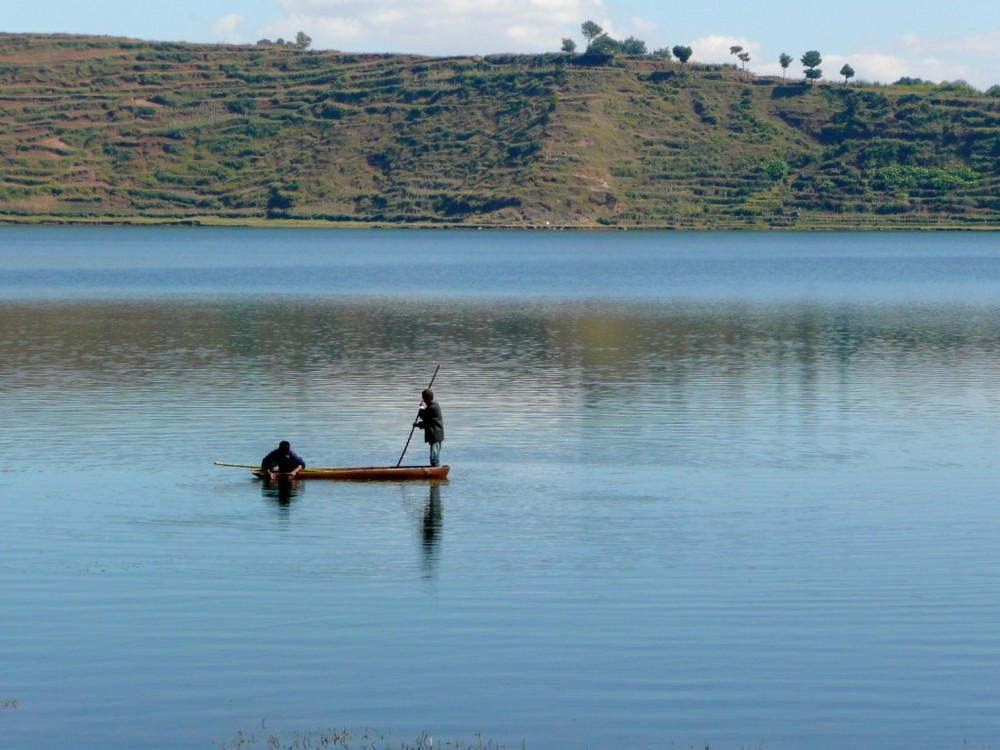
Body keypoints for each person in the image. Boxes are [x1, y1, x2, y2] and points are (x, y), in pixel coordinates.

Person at [414, 388, 444, 467]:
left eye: (424, 399)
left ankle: (436, 472)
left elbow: (423, 416)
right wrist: (418, 425)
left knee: (434, 458)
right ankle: (435, 473)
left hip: (435, 436)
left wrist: (421, 408)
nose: (424, 401)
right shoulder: (433, 406)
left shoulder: (432, 407)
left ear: (428, 398)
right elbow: (428, 422)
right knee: (434, 457)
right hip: (435, 435)